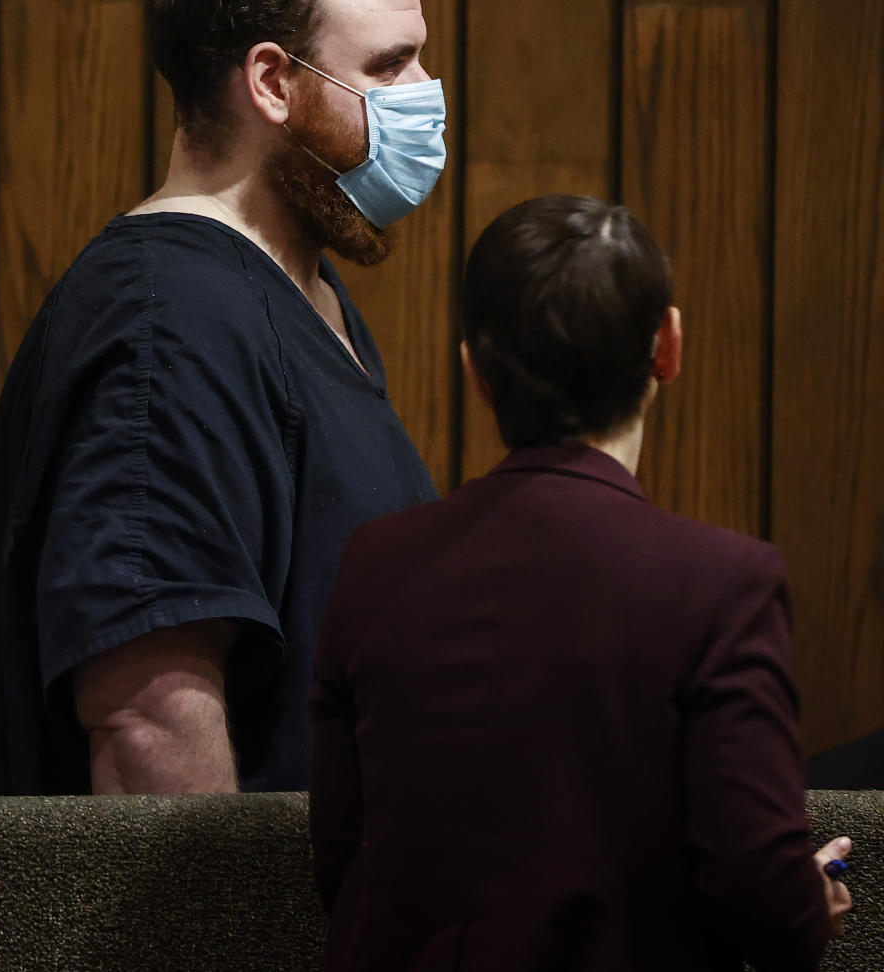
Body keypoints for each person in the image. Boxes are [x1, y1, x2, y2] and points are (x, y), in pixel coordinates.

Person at [0, 0, 444, 795]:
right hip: (227, 934)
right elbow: (147, 724)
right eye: (390, 66)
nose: (426, 94)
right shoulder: (170, 322)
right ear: (273, 82)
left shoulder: (304, 297)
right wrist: (227, 940)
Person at [309, 195, 851, 971]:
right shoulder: (724, 584)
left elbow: (343, 862)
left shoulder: (374, 564)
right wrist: (809, 899)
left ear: (477, 374)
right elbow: (764, 900)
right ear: (668, 346)